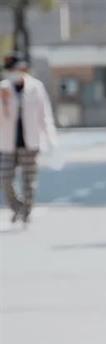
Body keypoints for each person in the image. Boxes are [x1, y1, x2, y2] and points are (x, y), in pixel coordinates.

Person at [0, 52, 56, 225]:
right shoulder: (3, 88)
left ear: (23, 69)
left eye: (15, 69)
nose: (13, 73)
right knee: (5, 178)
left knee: (29, 181)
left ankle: (26, 210)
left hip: (30, 142)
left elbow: (45, 114)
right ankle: (17, 206)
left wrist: (50, 139)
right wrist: (3, 102)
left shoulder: (36, 87)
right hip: (7, 143)